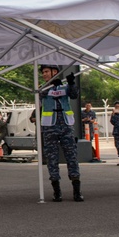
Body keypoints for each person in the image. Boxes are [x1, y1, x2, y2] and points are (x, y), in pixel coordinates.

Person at [38, 65, 83, 202]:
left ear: (55, 72)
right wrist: (50, 84)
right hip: (49, 126)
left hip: (66, 125)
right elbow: (41, 94)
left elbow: (74, 95)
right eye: (43, 72)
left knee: (72, 157)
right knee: (52, 159)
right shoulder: (42, 87)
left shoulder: (64, 87)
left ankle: (77, 190)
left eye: (46, 72)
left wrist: (71, 83)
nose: (44, 74)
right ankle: (56, 191)